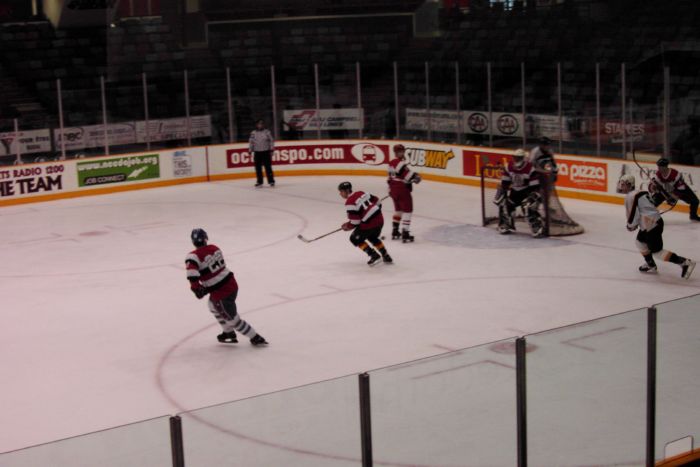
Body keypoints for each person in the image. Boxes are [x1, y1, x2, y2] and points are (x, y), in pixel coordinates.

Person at [185, 228, 268, 345]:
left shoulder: (193, 256)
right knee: (212, 305)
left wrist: (196, 288)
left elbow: (192, 276)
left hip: (221, 293)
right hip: (231, 284)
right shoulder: (215, 247)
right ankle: (228, 332)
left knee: (232, 319)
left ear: (193, 242)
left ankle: (255, 337)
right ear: (206, 238)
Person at [617, 174, 695, 279]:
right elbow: (650, 205)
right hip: (653, 222)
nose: (621, 186)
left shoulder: (630, 196)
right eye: (620, 183)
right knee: (640, 242)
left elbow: (633, 215)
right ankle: (650, 264)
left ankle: (685, 262)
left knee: (657, 252)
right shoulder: (641, 192)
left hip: (651, 225)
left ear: (630, 185)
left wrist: (630, 226)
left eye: (623, 184)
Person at [338, 181, 393, 266]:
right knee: (372, 236)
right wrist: (373, 213)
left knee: (354, 238)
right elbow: (378, 201)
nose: (340, 194)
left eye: (341, 191)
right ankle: (386, 255)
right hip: (380, 220)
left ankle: (374, 255)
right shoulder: (361, 193)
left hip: (369, 224)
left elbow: (355, 222)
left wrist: (347, 226)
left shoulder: (349, 203)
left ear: (346, 191)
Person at [494, 148, 544, 237]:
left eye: (519, 157)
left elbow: (535, 186)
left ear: (523, 158)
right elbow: (505, 183)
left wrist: (532, 197)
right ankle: (506, 224)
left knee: (527, 206)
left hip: (527, 192)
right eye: (515, 157)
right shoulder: (508, 166)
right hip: (515, 193)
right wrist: (501, 192)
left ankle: (537, 226)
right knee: (505, 204)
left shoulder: (530, 168)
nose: (516, 159)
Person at [387, 144, 421, 242]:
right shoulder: (399, 163)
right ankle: (405, 233)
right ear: (397, 152)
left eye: (402, 151)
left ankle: (395, 231)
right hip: (401, 189)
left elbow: (391, 178)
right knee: (408, 210)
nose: (402, 153)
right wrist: (416, 177)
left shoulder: (391, 163)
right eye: (401, 151)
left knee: (398, 210)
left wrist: (390, 189)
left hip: (393, 188)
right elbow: (408, 176)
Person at [249, 119, 275, 187]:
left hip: (266, 152)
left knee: (268, 167)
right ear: (256, 125)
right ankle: (259, 181)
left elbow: (271, 141)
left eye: (261, 124)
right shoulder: (253, 133)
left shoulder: (267, 132)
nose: (260, 125)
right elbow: (251, 142)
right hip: (257, 152)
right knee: (258, 168)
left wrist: (271, 149)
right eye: (259, 124)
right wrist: (250, 150)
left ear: (263, 125)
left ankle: (271, 181)